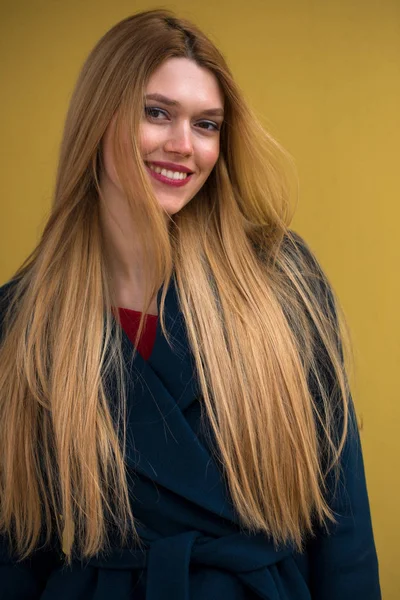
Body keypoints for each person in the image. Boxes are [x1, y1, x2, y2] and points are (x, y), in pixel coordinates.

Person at [0, 9, 381, 600]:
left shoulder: (280, 282)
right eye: (157, 113)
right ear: (99, 116)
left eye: (207, 125)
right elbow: (15, 551)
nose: (184, 146)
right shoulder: (23, 320)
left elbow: (344, 522)